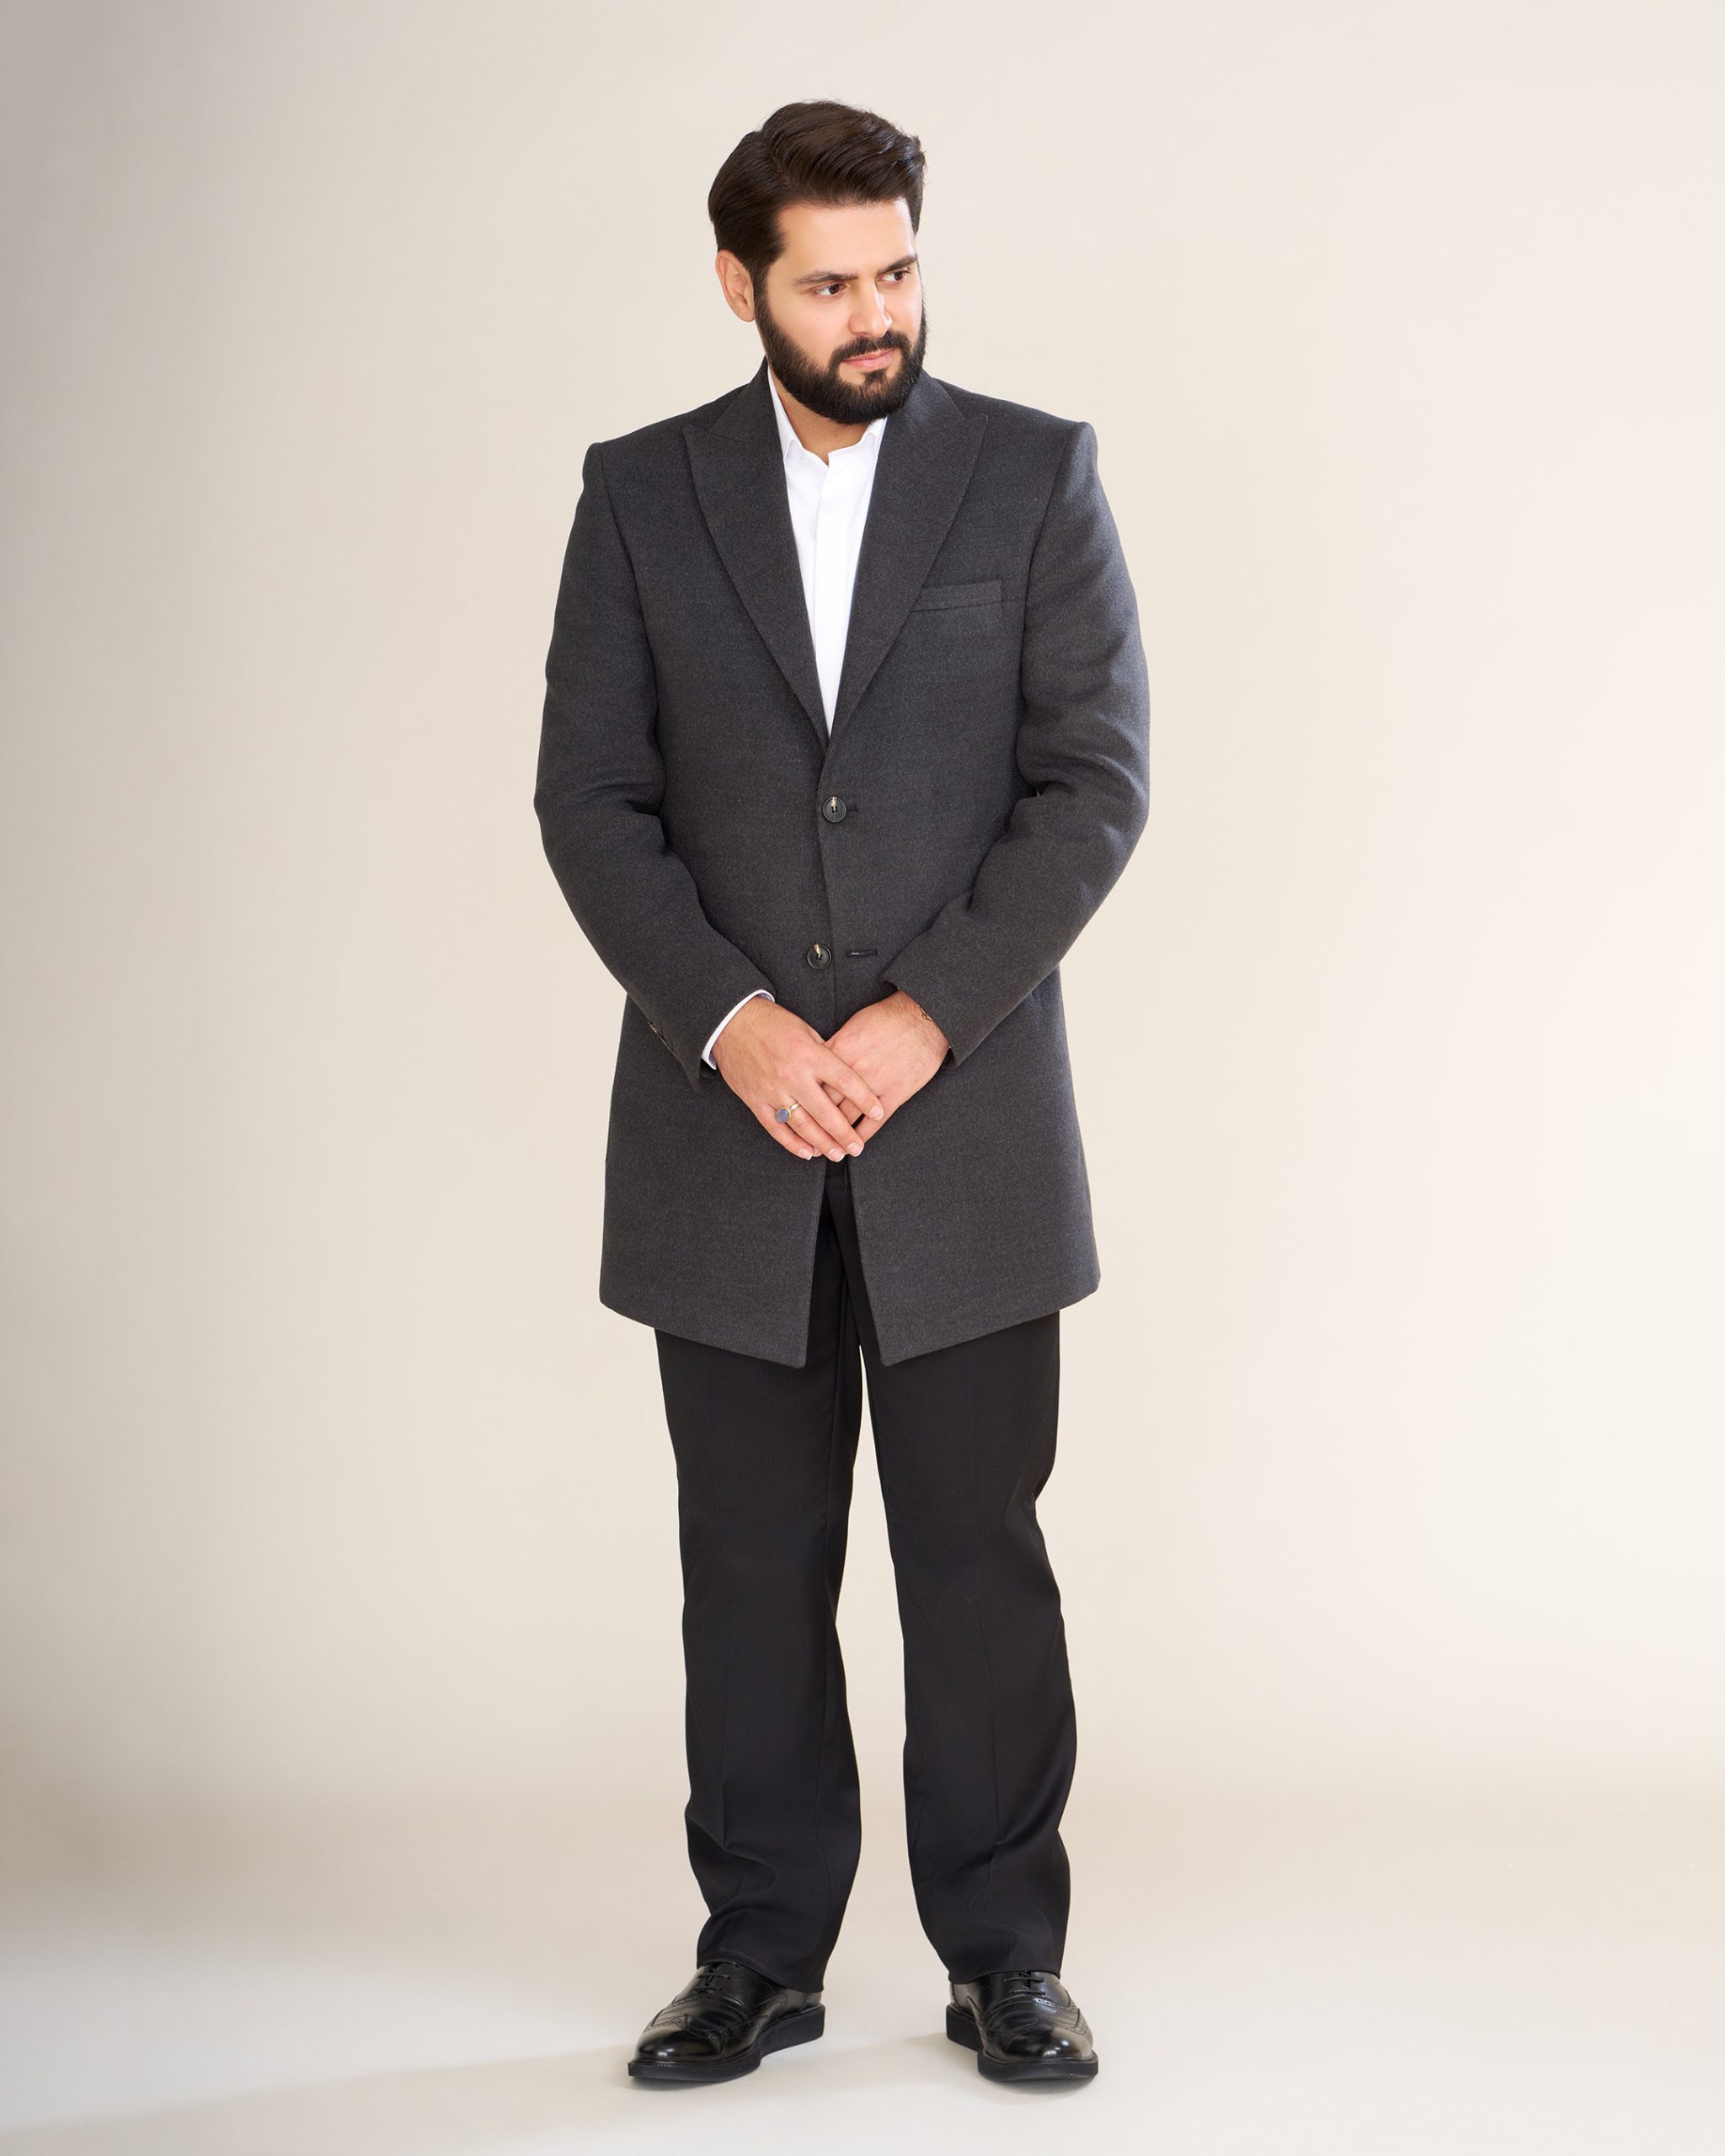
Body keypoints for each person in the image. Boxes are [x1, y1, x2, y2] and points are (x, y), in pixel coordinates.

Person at [533, 98, 1150, 2089]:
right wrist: (729, 1020)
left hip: (961, 1126)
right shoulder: (640, 496)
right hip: (722, 1132)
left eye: (896, 268)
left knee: (978, 1560)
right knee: (747, 1568)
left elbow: (1092, 784)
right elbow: (591, 801)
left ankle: (1006, 1958)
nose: (876, 310)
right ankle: (758, 1954)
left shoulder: (1031, 474)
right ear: (740, 286)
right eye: (829, 282)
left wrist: (922, 1016)